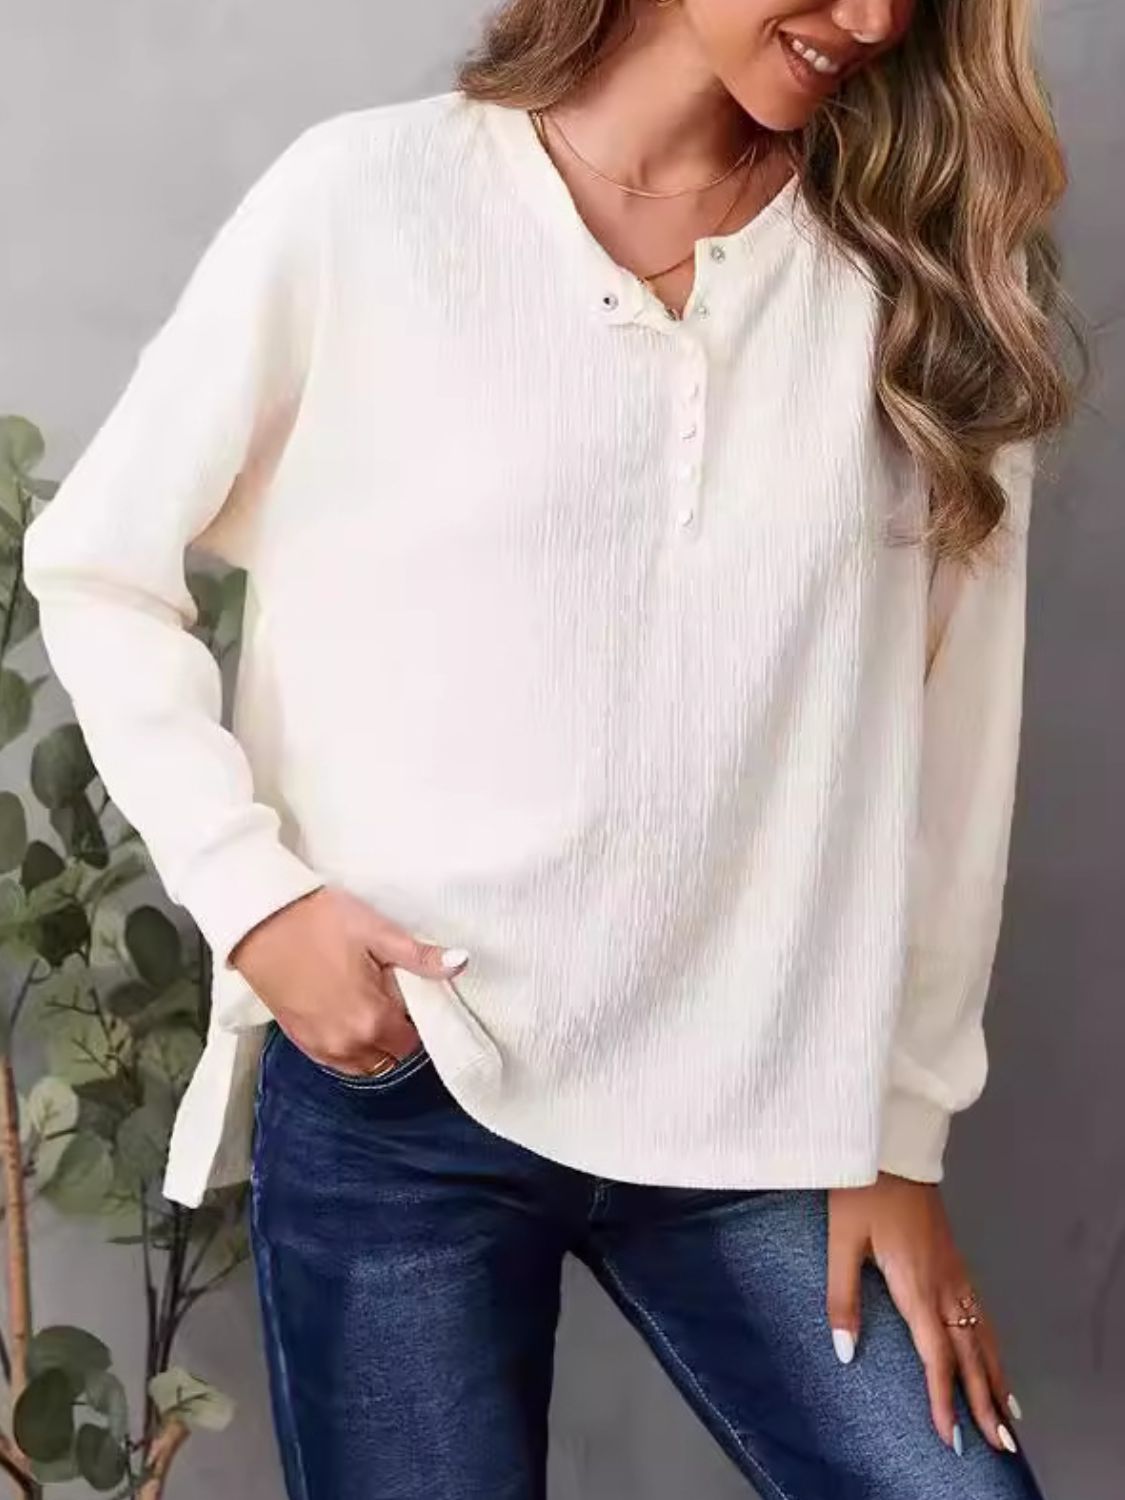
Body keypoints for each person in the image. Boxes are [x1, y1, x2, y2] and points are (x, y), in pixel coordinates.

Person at [21, 0, 1087, 1495]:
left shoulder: (932, 285)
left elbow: (958, 749)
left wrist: (902, 1136)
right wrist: (256, 905)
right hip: (410, 1084)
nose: (870, 17)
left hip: (772, 1113)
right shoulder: (368, 200)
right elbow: (98, 567)